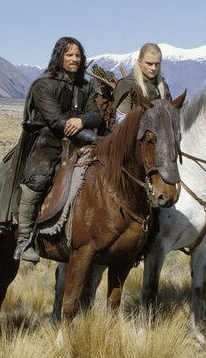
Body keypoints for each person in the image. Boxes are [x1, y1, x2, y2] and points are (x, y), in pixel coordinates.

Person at [11, 37, 102, 263]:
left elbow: (96, 114)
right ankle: (24, 239)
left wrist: (82, 120)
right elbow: (56, 121)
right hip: (46, 139)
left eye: (77, 55)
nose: (74, 59)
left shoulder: (86, 87)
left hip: (79, 140)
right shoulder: (44, 84)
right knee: (38, 180)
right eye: (69, 54)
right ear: (59, 56)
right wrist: (93, 136)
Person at [113, 43, 172, 123]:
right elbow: (121, 120)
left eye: (157, 64)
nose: (153, 68)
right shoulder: (127, 85)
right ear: (140, 62)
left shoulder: (163, 87)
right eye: (149, 64)